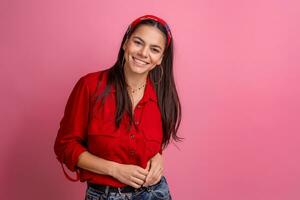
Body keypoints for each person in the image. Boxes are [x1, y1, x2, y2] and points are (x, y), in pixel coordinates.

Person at [54, 14, 182, 200]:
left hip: (156, 193)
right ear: (125, 44)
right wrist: (114, 170)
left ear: (161, 58)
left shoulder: (163, 97)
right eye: (138, 42)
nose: (144, 53)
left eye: (154, 49)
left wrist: (157, 157)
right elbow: (65, 146)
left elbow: (150, 143)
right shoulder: (90, 86)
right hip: (105, 195)